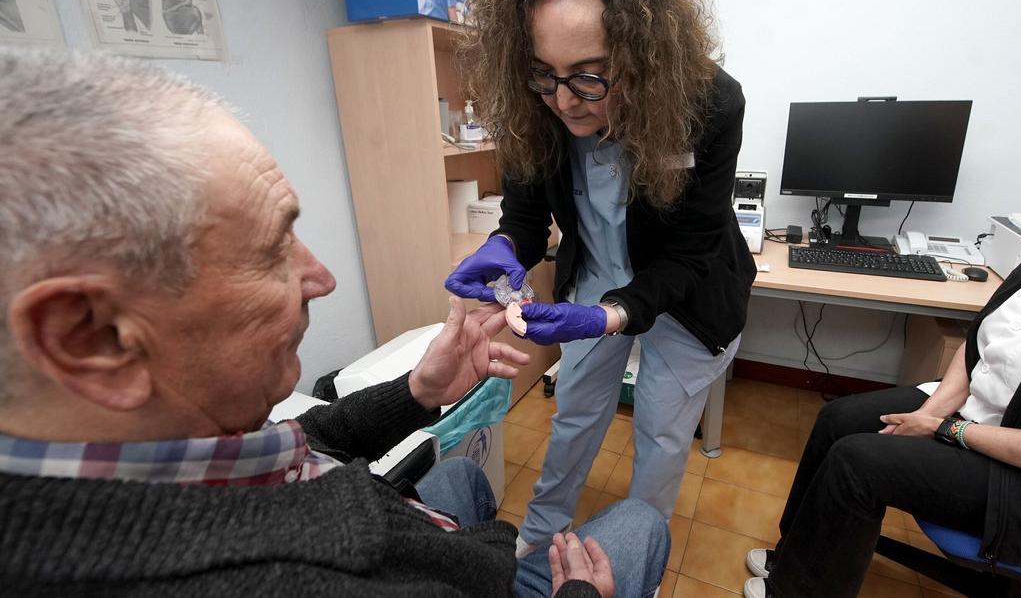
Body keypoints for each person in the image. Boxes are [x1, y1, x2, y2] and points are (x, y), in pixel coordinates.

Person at [0, 47, 670, 598]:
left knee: (464, 479)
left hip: (412, 528)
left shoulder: (130, 446)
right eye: (270, 250)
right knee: (638, 524)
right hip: (460, 563)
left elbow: (286, 449)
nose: (322, 278)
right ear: (90, 338)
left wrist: (419, 392)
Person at [743, 65, 1021, 597]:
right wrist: (938, 407)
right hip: (993, 415)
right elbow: (984, 333)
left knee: (860, 462)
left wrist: (947, 430)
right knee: (839, 418)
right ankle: (797, 556)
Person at [444, 0, 756, 558]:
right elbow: (527, 218)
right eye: (544, 74)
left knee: (662, 434)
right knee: (576, 413)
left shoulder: (709, 103)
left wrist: (616, 313)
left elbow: (694, 248)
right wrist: (504, 249)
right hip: (594, 276)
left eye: (590, 76)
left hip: (685, 293)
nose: (565, 101)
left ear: (645, 58)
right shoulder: (537, 106)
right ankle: (537, 534)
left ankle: (631, 557)